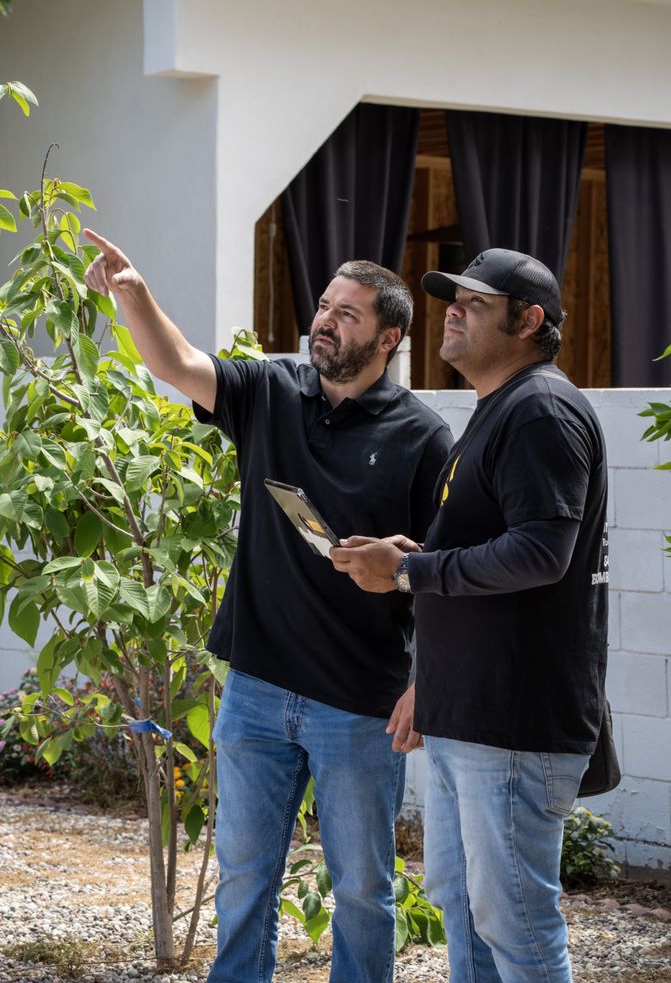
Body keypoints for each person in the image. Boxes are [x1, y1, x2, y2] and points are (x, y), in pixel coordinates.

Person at [82, 229, 453, 983]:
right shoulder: (271, 391)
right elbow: (175, 363)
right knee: (244, 881)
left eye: (346, 314)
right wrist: (134, 293)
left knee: (360, 892)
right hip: (253, 692)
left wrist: (427, 681)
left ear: (389, 336)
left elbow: (442, 575)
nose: (324, 321)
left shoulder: (423, 435)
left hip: (359, 705)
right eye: (322, 306)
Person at [331, 248, 609, 983]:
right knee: (466, 913)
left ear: (529, 321)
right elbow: (491, 552)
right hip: (470, 717)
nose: (451, 309)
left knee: (514, 928)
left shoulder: (541, 409)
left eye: (475, 303)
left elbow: (540, 553)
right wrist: (409, 563)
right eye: (450, 298)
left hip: (512, 727)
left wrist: (408, 572)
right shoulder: (498, 411)